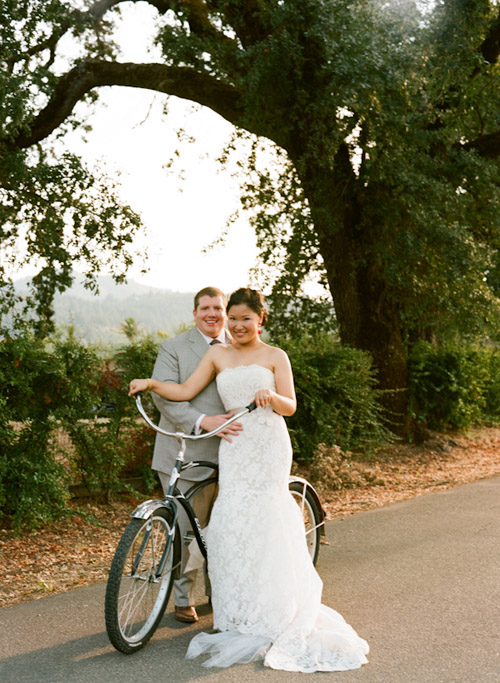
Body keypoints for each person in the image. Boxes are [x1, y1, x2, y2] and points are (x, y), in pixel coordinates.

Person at [129, 287, 369, 672]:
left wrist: (270, 397)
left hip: (268, 443)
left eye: (245, 318)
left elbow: (290, 405)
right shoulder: (218, 354)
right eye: (234, 318)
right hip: (235, 447)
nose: (238, 325)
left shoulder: (275, 355)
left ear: (260, 319)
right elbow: (186, 390)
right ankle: (239, 609)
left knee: (267, 519)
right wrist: (152, 383)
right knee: (233, 522)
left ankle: (276, 607)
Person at [149, 286, 242, 624]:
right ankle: (183, 597)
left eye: (218, 308)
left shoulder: (239, 347)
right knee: (186, 533)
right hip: (184, 455)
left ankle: (221, 593)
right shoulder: (173, 347)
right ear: (194, 313)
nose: (212, 314)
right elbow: (164, 396)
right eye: (205, 308)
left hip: (232, 457)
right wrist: (203, 421)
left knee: (224, 531)